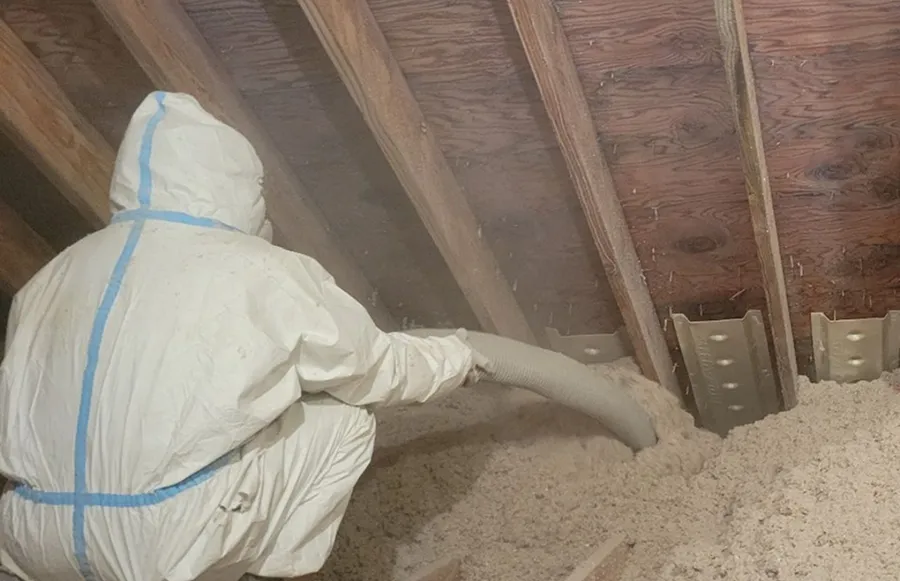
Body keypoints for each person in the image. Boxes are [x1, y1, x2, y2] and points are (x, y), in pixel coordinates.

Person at [0, 91, 487, 581]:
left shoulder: (53, 275)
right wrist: (457, 359)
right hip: (164, 546)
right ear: (235, 185)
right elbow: (374, 368)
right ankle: (261, 572)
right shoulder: (260, 269)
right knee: (346, 414)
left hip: (29, 537)